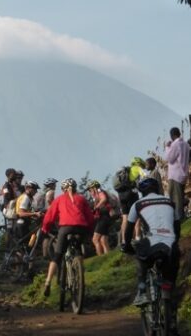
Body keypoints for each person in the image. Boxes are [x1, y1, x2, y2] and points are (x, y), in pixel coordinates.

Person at [121, 178, 180, 334]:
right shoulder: (169, 201)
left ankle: (141, 291)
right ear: (158, 188)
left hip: (151, 246)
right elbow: (177, 227)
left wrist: (126, 245)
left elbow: (129, 230)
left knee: (140, 255)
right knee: (170, 285)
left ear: (141, 191)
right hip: (171, 247)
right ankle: (172, 323)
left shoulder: (138, 204)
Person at [41, 178, 95, 297]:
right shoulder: (82, 198)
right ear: (75, 188)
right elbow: (90, 218)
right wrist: (90, 231)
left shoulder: (59, 199)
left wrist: (45, 228)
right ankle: (79, 272)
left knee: (57, 256)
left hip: (65, 228)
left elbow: (49, 216)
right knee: (78, 252)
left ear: (63, 189)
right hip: (81, 228)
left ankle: (48, 283)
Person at [164, 127, 190, 220]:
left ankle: (178, 219)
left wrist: (167, 147)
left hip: (175, 175)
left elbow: (169, 159)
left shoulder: (175, 144)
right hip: (183, 174)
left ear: (172, 135)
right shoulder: (186, 144)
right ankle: (180, 216)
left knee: (175, 199)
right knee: (180, 197)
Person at [86, 180, 111, 256]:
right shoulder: (97, 194)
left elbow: (104, 199)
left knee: (95, 239)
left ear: (94, 187)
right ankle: (108, 257)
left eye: (90, 189)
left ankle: (100, 258)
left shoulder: (99, 191)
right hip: (106, 217)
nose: (90, 192)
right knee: (103, 240)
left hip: (103, 218)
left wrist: (96, 207)